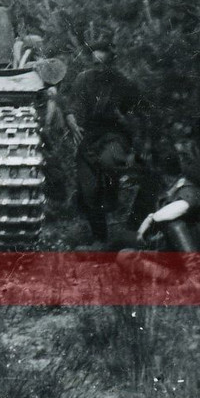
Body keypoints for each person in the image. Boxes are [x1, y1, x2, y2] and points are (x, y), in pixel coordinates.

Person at [65, 36, 142, 246]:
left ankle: (113, 201)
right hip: (88, 137)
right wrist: (71, 122)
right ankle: (100, 236)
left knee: (109, 162)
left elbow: (138, 116)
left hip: (115, 135)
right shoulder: (83, 79)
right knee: (88, 189)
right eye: (95, 64)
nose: (99, 69)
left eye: (104, 64)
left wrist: (134, 142)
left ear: (112, 63)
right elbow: (72, 108)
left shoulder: (124, 84)